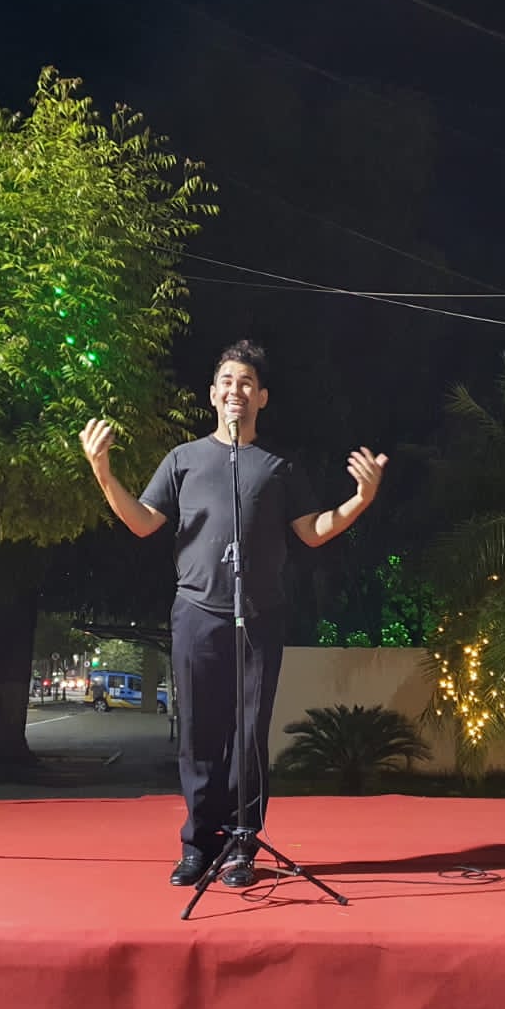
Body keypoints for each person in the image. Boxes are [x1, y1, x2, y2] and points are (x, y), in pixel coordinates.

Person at [79, 340, 388, 887]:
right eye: (226, 381)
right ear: (212, 394)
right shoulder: (183, 459)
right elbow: (143, 522)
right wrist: (103, 472)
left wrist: (359, 499)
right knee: (199, 734)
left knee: (248, 734)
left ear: (261, 397)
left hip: (260, 614)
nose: (235, 390)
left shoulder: (278, 467)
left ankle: (242, 843)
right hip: (196, 612)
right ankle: (200, 844)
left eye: (246, 383)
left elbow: (313, 532)